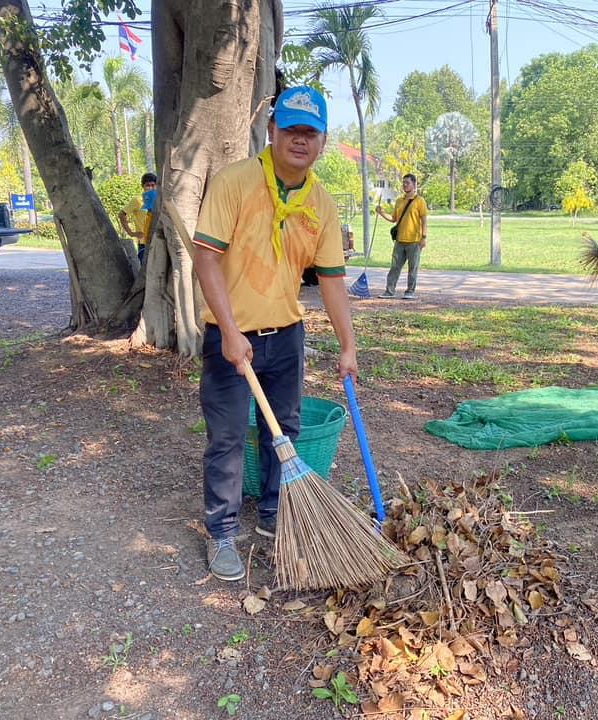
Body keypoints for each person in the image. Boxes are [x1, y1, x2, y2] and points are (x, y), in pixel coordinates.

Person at [191, 86, 358, 583]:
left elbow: (331, 279)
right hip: (231, 337)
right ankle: (221, 531)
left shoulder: (321, 204)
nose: (299, 141)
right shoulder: (235, 182)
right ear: (272, 131)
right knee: (225, 436)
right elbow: (206, 257)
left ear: (323, 141)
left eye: (310, 133)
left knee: (281, 429)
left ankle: (271, 514)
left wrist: (348, 345)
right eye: (291, 130)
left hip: (286, 337)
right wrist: (228, 329)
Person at [376, 173, 429, 299]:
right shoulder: (399, 201)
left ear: (414, 184)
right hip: (400, 240)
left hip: (414, 241)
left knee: (412, 268)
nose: (405, 185)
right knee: (394, 267)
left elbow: (424, 220)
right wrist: (382, 212)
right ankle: (389, 291)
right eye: (403, 183)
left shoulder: (420, 201)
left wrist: (424, 237)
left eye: (407, 183)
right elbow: (393, 219)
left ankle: (410, 291)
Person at [119, 172, 157, 262]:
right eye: (148, 185)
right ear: (143, 186)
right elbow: (121, 214)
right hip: (144, 243)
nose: (151, 188)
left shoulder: (159, 200)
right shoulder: (137, 200)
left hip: (158, 241)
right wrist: (131, 233)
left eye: (153, 185)